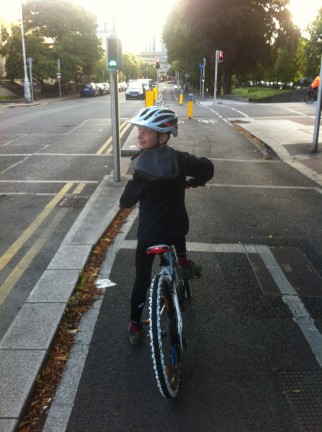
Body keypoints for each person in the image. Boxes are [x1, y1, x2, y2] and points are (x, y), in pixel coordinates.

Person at [119, 106, 214, 345]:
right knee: (176, 227)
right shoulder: (181, 159)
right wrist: (194, 182)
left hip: (150, 235)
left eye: (146, 132)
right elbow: (207, 167)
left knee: (141, 277)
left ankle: (133, 324)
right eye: (139, 130)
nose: (139, 135)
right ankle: (182, 262)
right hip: (177, 228)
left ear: (162, 136)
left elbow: (125, 202)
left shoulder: (142, 168)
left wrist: (132, 196)